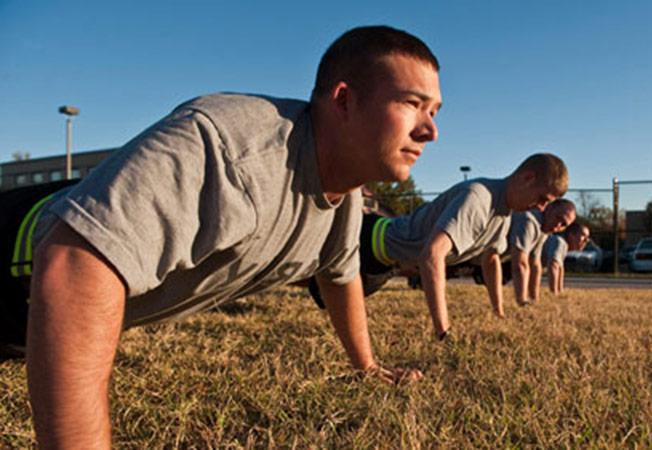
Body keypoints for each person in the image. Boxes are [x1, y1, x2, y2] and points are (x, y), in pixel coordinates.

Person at [0, 25, 442, 448]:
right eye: (412, 103)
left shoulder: (343, 193)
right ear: (344, 100)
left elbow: (340, 275)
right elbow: (73, 262)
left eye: (434, 112)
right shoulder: (231, 147)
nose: (430, 131)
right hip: (14, 268)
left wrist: (365, 367)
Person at [311, 153, 568, 339]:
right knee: (300, 272)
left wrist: (498, 312)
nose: (542, 208)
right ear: (527, 177)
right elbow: (432, 255)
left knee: (320, 293)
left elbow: (490, 261)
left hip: (386, 264)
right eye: (542, 198)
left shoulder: (505, 212)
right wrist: (443, 332)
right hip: (368, 241)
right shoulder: (478, 198)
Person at [506, 199, 577, 306]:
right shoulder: (529, 222)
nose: (557, 225)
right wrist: (522, 301)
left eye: (563, 224)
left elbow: (535, 263)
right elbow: (520, 263)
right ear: (548, 208)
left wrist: (535, 299)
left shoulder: (544, 229)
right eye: (558, 217)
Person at [537, 222, 591, 296]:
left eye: (587, 237)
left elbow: (560, 268)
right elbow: (553, 265)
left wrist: (560, 290)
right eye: (583, 235)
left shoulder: (563, 245)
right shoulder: (560, 242)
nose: (587, 240)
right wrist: (554, 292)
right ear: (571, 235)